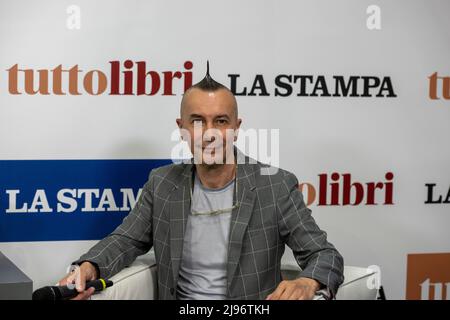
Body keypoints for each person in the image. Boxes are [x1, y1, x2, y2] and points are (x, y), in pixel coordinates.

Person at [59, 62, 344, 300]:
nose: (209, 133)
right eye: (197, 121)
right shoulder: (162, 184)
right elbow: (125, 240)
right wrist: (90, 265)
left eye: (221, 121)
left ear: (236, 128)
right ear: (181, 129)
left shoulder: (275, 185)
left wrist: (309, 283)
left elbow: (324, 254)